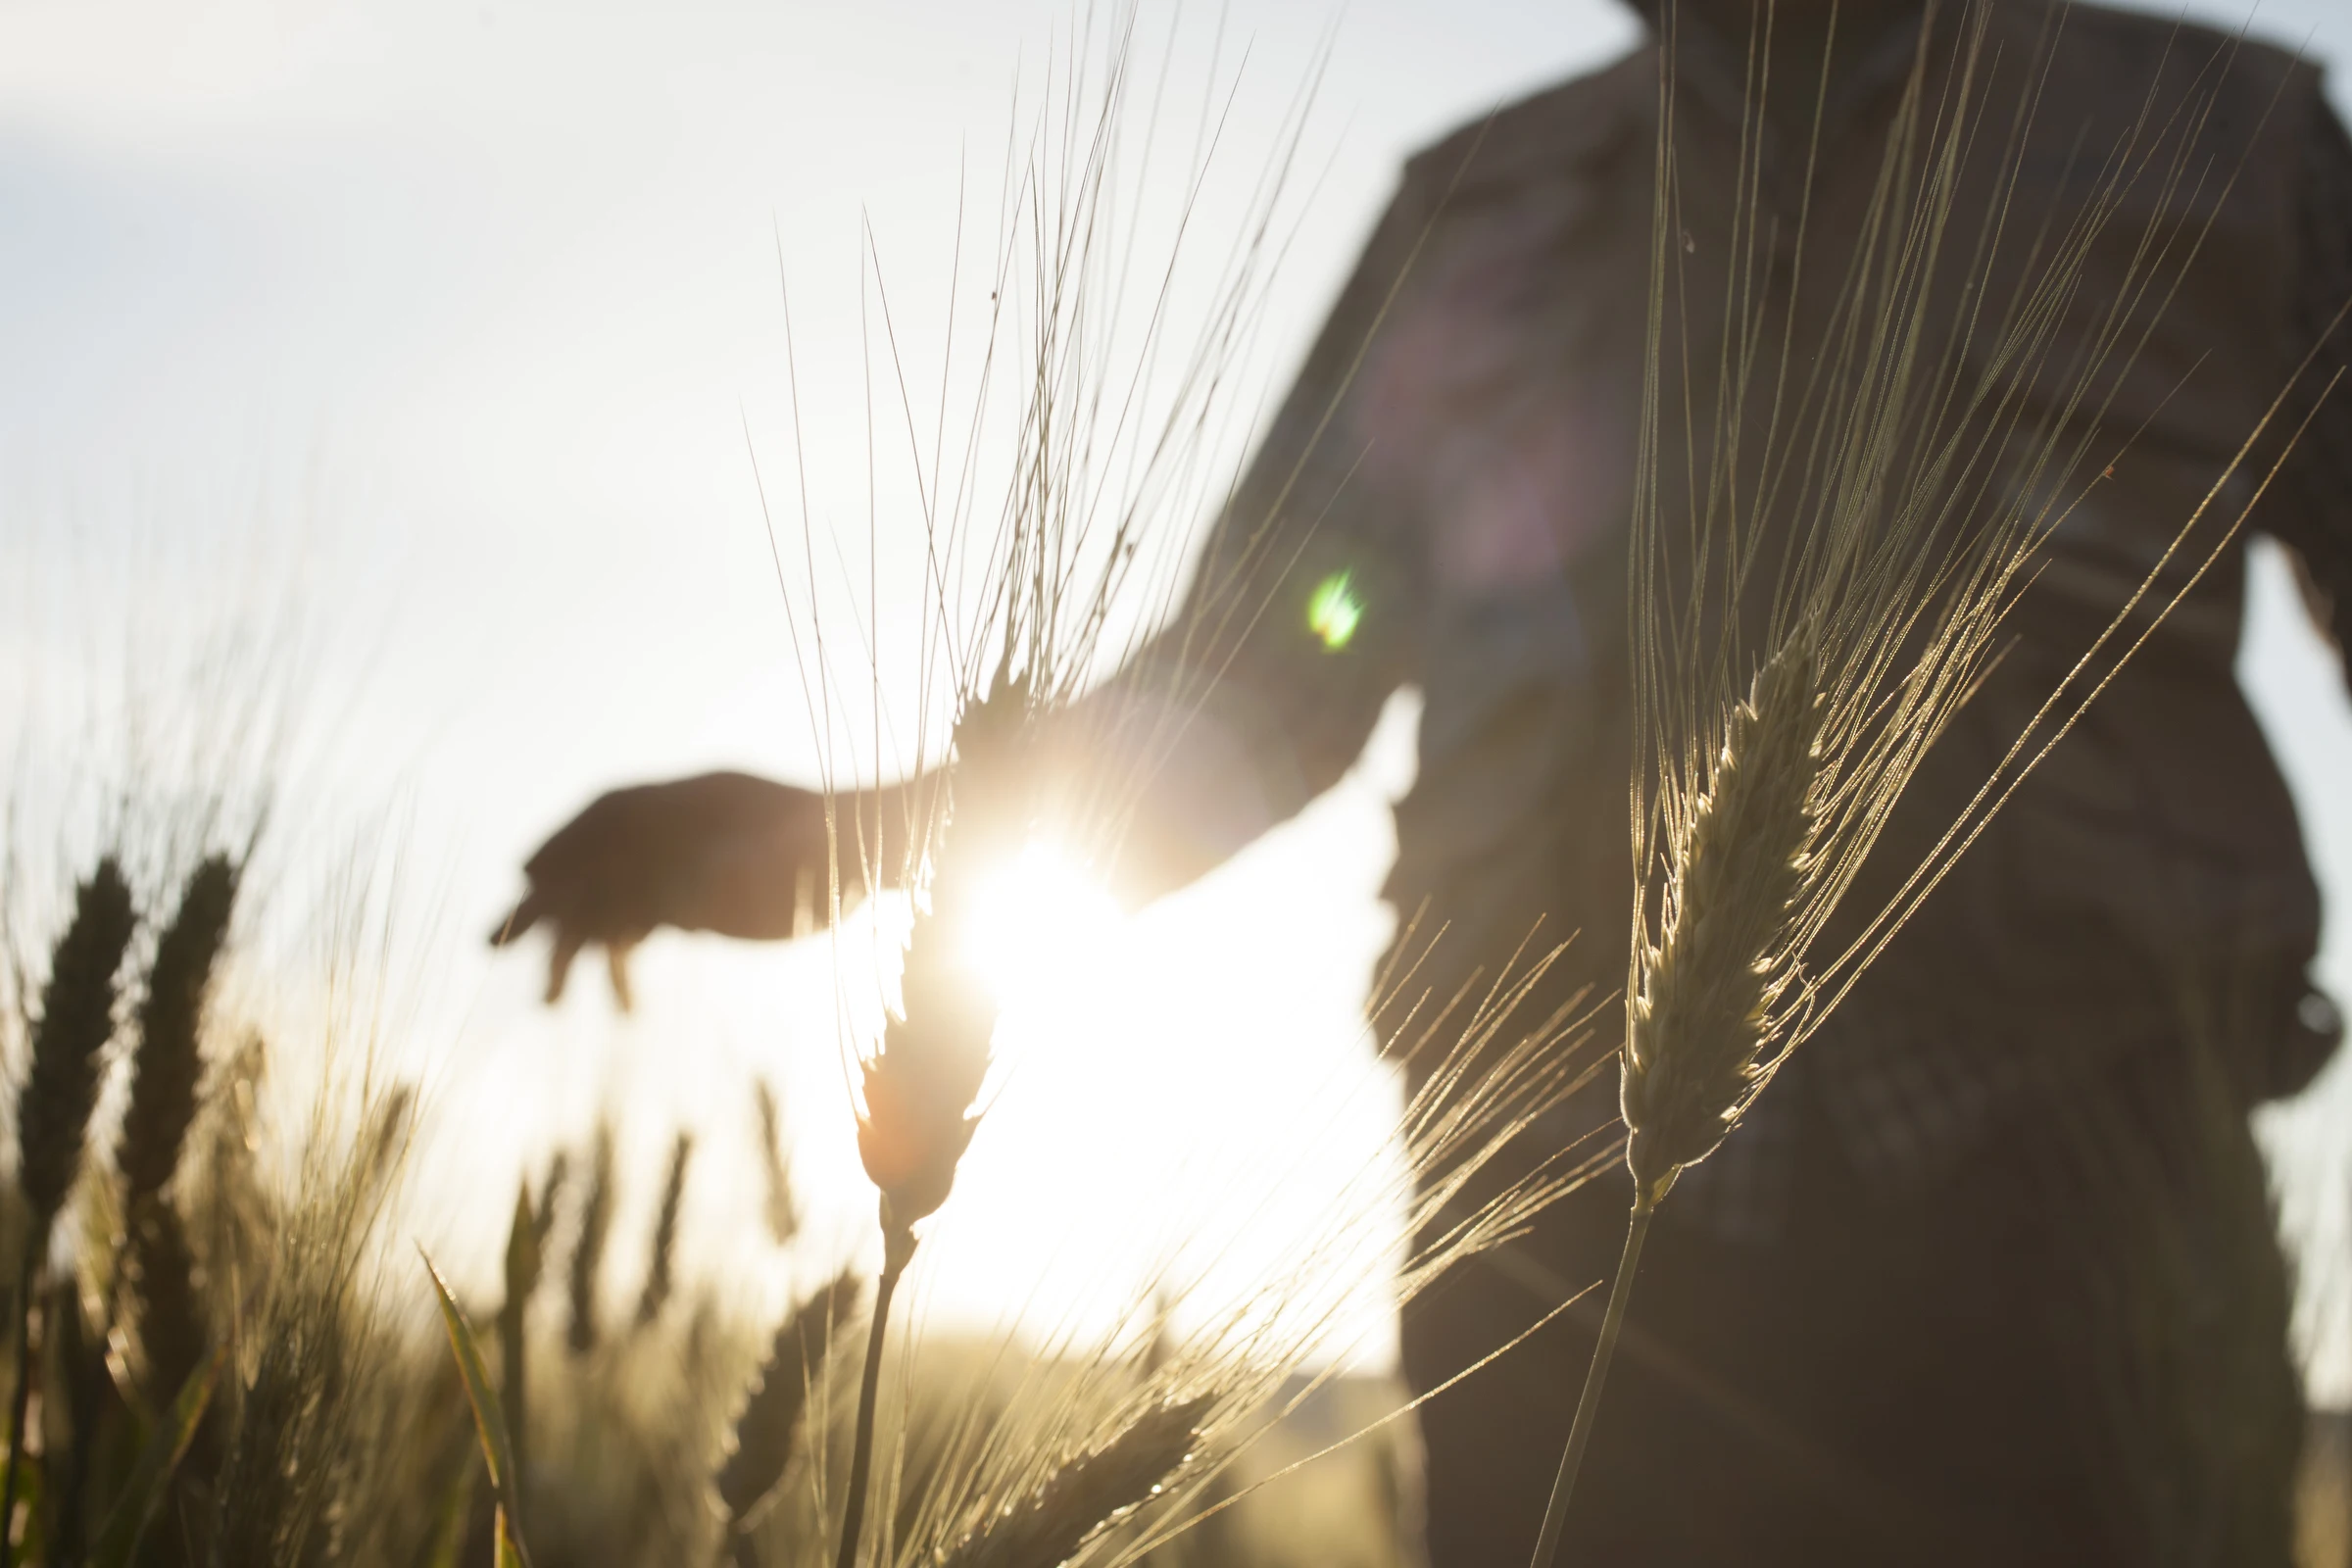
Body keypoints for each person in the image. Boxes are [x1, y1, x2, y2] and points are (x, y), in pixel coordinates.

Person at [494, 1, 2352, 1561]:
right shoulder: (1482, 205)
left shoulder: (2233, 143)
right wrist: (851, 848)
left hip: (2083, 1230)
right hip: (1545, 1259)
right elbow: (1254, 694)